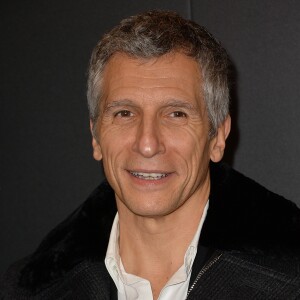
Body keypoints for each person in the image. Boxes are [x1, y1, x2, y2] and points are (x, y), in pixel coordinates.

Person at [1, 10, 300, 299]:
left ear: (218, 137)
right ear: (96, 136)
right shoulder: (24, 289)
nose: (147, 144)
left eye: (176, 114)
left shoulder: (290, 276)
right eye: (125, 113)